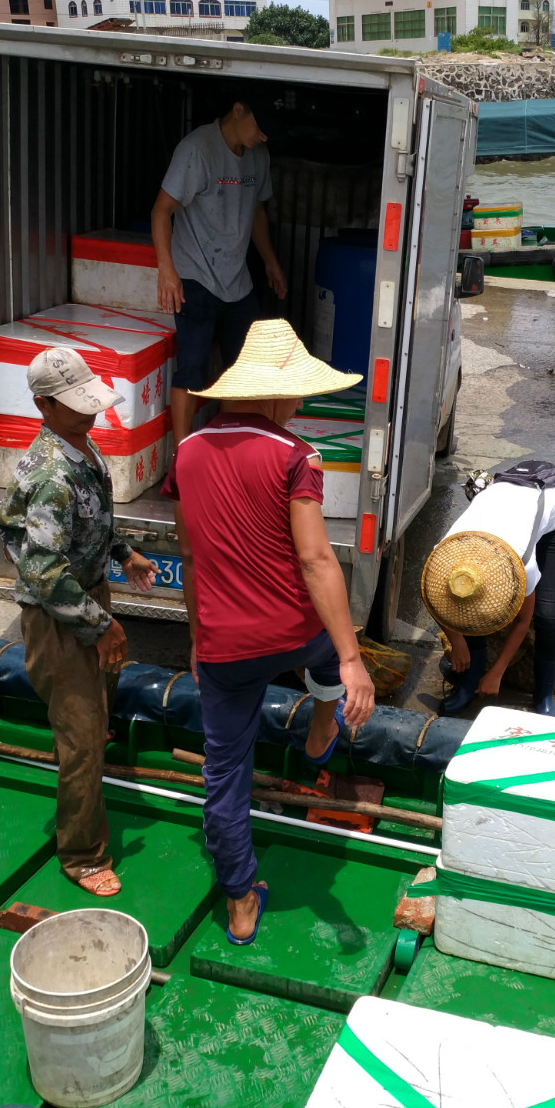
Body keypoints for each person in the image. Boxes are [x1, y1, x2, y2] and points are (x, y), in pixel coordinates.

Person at [162, 318, 375, 946]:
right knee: (331, 650)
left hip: (223, 648)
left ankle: (239, 901)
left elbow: (190, 554)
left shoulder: (186, 452)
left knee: (225, 774)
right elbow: (315, 560)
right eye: (299, 391)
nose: (301, 403)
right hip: (291, 636)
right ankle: (321, 724)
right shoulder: (296, 455)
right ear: (278, 393)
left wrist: (197, 638)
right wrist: (352, 659)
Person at [0, 347, 160, 897]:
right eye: (73, 403)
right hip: (60, 617)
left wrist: (124, 553)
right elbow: (44, 572)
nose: (89, 410)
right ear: (43, 405)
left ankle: (86, 788)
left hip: (86, 599)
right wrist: (101, 626)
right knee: (82, 737)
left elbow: (89, 523)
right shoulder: (52, 474)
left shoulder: (82, 448)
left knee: (93, 719)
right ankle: (82, 856)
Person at [151, 98, 287, 452]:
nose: (263, 136)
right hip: (195, 275)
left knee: (242, 370)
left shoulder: (258, 155)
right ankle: (183, 457)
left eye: (268, 133)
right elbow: (161, 210)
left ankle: (228, 452)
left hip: (237, 279)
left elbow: (256, 212)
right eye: (259, 127)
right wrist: (167, 271)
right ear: (239, 110)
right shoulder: (197, 150)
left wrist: (270, 261)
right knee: (192, 368)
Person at [421, 462, 555, 718]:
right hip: (501, 512)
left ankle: (544, 696)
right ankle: (469, 684)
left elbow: (523, 621)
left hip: (553, 522)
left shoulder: (521, 562)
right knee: (470, 608)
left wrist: (497, 673)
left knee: (546, 614)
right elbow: (430, 595)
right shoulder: (443, 554)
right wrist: (457, 641)